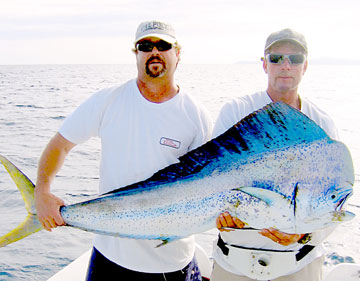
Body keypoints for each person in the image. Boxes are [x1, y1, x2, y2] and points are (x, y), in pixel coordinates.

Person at [34, 20, 213, 281]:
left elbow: (206, 186)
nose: (154, 52)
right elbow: (60, 144)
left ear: (178, 54)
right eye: (145, 46)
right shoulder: (108, 100)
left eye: (163, 45)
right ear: (136, 53)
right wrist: (42, 191)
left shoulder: (196, 115)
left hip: (174, 263)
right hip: (111, 258)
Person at [210, 28, 339, 281]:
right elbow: (213, 181)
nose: (286, 66)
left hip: (298, 263)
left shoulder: (322, 123)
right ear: (264, 65)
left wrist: (304, 235)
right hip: (234, 261)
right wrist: (219, 212)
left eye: (295, 59)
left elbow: (335, 201)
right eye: (276, 58)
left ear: (305, 66)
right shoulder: (235, 111)